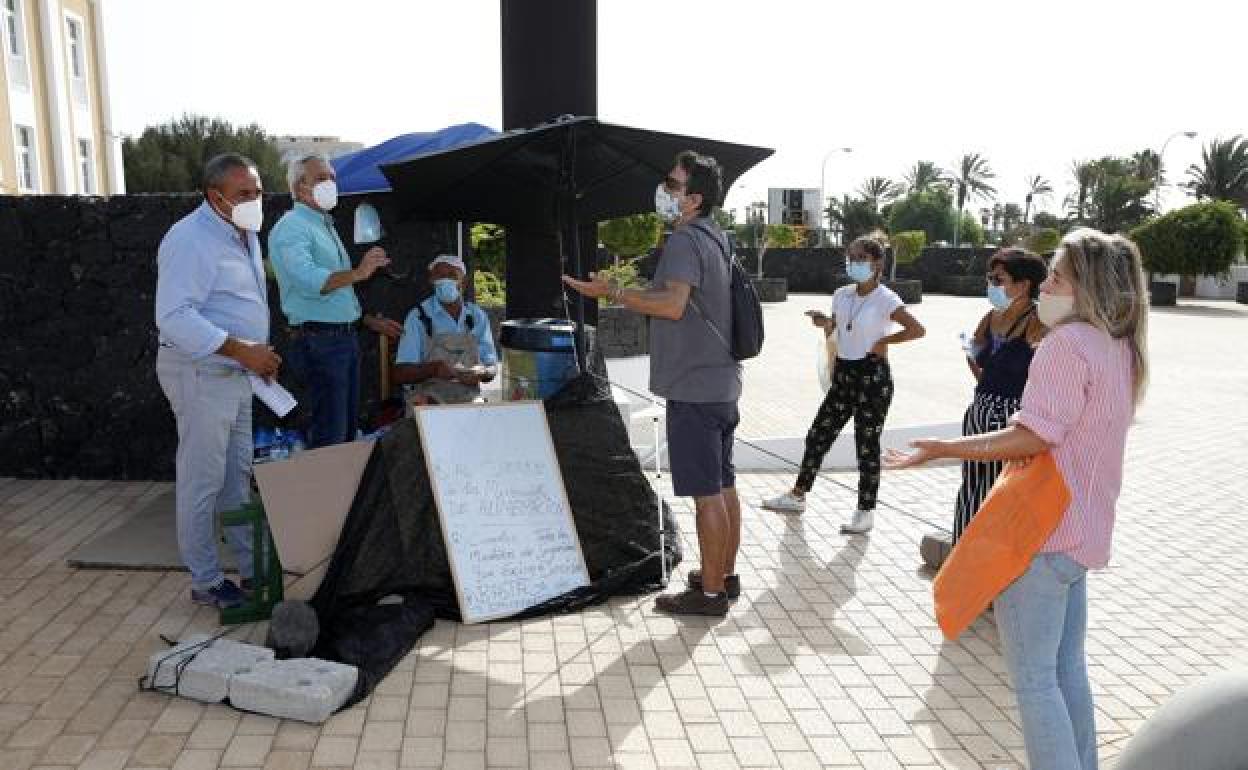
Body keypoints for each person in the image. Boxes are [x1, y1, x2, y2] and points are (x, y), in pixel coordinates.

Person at [885, 228, 1150, 770]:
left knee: (1033, 683)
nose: (1046, 284)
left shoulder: (1066, 345)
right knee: (1066, 671)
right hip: (1081, 536)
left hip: (1041, 536)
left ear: (1088, 287)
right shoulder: (1118, 347)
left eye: (1056, 275)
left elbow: (1035, 434)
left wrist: (942, 448)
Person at [563, 150, 741, 617]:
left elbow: (673, 305)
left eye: (673, 184)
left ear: (693, 198)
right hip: (722, 382)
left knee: (707, 494)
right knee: (723, 486)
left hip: (693, 386)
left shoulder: (685, 240)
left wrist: (614, 293)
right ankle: (723, 576)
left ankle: (709, 594)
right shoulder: (717, 238)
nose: (664, 190)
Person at [154, 153, 281, 609]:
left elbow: (236, 301)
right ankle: (206, 581)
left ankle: (251, 572)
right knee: (201, 481)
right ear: (216, 197)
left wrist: (255, 354)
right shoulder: (190, 239)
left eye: (258, 191)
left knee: (235, 477)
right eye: (244, 194)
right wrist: (243, 349)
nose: (254, 200)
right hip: (200, 372)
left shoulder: (243, 232)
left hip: (234, 373)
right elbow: (173, 317)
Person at [761, 232, 925, 535]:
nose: (854, 263)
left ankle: (865, 511)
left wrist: (885, 341)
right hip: (845, 374)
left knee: (866, 444)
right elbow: (839, 328)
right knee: (818, 434)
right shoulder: (842, 294)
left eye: (861, 258)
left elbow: (917, 330)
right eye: (851, 257)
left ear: (877, 262)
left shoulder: (886, 299)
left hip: (873, 377)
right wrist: (825, 323)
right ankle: (798, 496)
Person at [268, 154, 403, 448]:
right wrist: (359, 272)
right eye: (321, 178)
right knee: (331, 436)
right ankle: (324, 494)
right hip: (321, 342)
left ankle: (337, 493)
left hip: (340, 339)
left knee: (343, 433)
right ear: (299, 186)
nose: (330, 183)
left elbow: (339, 292)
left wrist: (364, 316)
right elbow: (310, 280)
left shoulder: (323, 224)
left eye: (332, 177)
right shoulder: (293, 226)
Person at [954, 248, 1048, 540]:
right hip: (980, 408)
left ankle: (989, 558)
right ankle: (963, 550)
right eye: (990, 278)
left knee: (999, 489)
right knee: (972, 484)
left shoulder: (1038, 321)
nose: (991, 285)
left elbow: (1044, 369)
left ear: (1023, 285)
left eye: (999, 279)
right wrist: (986, 380)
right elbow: (975, 353)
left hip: (1011, 416)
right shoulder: (991, 317)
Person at [392, 254, 498, 404]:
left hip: (469, 398)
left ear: (464, 282)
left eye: (452, 275)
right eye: (440, 276)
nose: (446, 280)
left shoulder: (476, 316)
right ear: (431, 281)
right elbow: (400, 374)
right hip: (428, 398)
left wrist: (483, 372)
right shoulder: (418, 317)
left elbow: (492, 366)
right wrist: (433, 369)